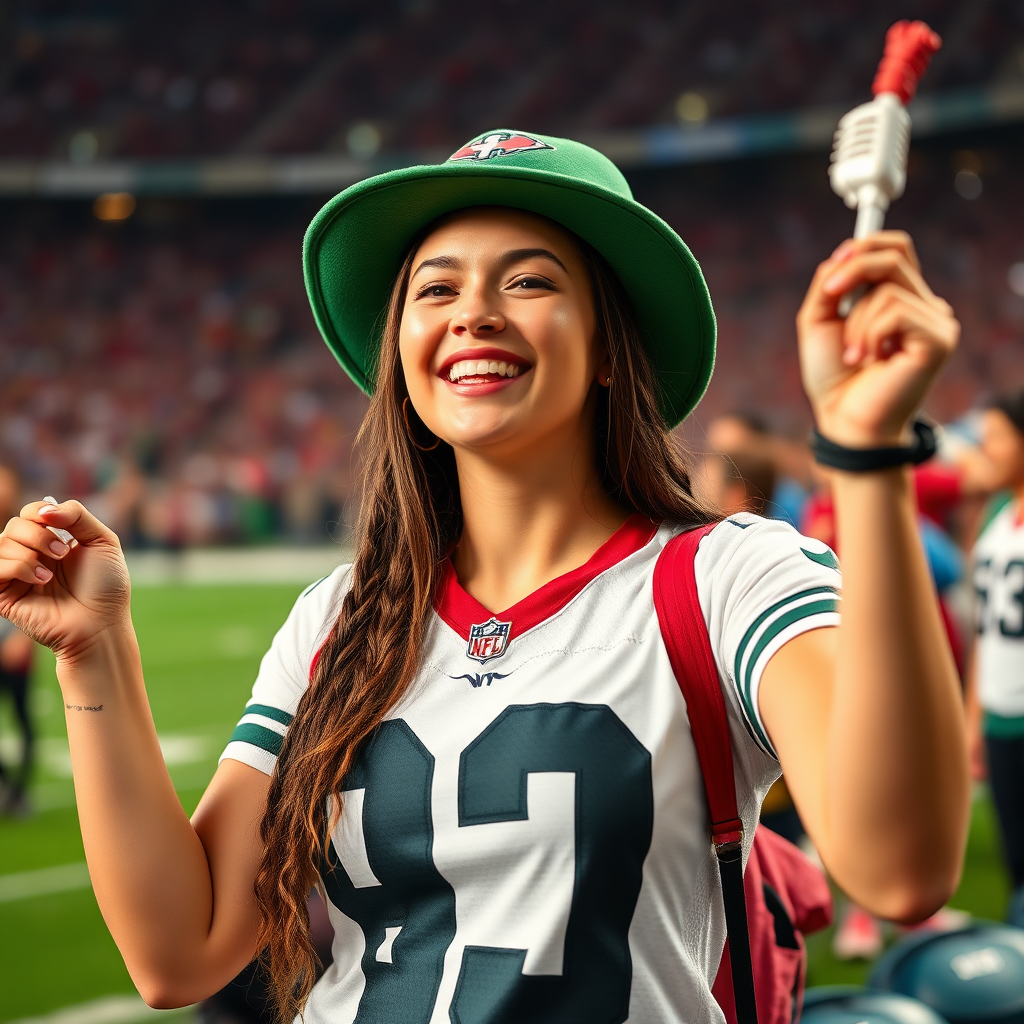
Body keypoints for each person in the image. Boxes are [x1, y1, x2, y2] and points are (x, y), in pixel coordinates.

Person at [0, 131, 968, 1023]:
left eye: (529, 281)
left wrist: (868, 454)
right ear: (404, 354)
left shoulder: (728, 578)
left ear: (604, 346)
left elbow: (898, 868)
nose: (472, 314)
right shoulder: (337, 619)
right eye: (435, 289)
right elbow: (179, 950)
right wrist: (96, 654)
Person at [967, 390, 1024, 908]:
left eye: (997, 437)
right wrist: (973, 716)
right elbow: (986, 628)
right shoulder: (997, 511)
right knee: (1016, 859)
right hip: (1001, 713)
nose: (986, 449)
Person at [0, 466, 35, 816]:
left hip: (15, 643)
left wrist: (23, 639)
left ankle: (19, 793)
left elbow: (38, 589)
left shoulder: (23, 532)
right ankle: (8, 787)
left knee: (23, 720)